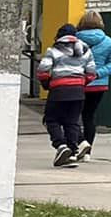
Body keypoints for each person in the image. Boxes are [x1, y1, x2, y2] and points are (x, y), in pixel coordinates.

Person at [37, 25, 93, 167]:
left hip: (59, 91)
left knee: (51, 119)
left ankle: (61, 146)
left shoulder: (53, 50)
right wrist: (81, 83)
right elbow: (92, 73)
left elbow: (43, 71)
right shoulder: (86, 51)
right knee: (72, 122)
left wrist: (47, 83)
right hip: (78, 91)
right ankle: (73, 153)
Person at [72, 10, 110, 159]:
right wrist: (98, 73)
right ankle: (87, 152)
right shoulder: (108, 41)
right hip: (98, 84)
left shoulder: (74, 40)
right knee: (89, 116)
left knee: (73, 116)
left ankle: (78, 145)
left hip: (77, 82)